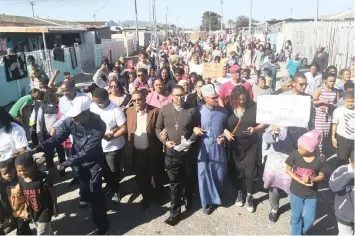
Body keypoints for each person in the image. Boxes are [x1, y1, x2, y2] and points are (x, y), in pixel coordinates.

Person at [41, 97, 108, 234]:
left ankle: (102, 225)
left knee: (95, 192)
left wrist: (64, 164)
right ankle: (89, 202)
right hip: (78, 163)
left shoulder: (99, 125)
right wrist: (41, 148)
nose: (73, 120)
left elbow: (86, 152)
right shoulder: (70, 120)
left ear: (86, 113)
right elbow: (58, 138)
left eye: (76, 116)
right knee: (84, 185)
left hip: (93, 162)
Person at [155, 85, 198, 226]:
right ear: (171, 96)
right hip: (171, 152)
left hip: (187, 151)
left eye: (181, 94)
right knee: (174, 183)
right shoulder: (165, 109)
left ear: (185, 94)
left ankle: (188, 198)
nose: (179, 97)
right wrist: (164, 141)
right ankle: (175, 214)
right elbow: (158, 128)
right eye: (176, 95)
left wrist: (191, 140)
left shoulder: (191, 109)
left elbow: (196, 128)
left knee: (189, 178)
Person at [224, 85, 265, 213]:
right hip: (235, 146)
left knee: (250, 172)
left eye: (244, 99)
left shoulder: (254, 107)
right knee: (237, 172)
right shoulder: (228, 108)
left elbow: (264, 123)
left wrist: (255, 129)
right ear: (234, 98)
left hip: (251, 145)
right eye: (239, 100)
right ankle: (240, 192)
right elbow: (222, 124)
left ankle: (250, 196)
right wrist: (226, 132)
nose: (242, 102)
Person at [193, 84, 227, 215]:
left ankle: (216, 197)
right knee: (204, 175)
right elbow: (192, 126)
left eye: (216, 97)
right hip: (203, 147)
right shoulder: (198, 111)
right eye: (213, 98)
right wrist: (194, 129)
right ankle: (206, 202)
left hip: (218, 147)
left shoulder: (223, 111)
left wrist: (223, 136)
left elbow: (226, 128)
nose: (216, 99)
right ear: (206, 98)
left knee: (219, 173)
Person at [126, 90, 162, 209]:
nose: (137, 102)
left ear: (145, 98)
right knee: (141, 177)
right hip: (137, 152)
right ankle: (147, 198)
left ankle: (158, 196)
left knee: (155, 175)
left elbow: (160, 128)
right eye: (134, 100)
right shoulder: (129, 111)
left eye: (139, 99)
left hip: (152, 150)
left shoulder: (155, 111)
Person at [285, 130, 325, 236]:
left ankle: (300, 231)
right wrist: (298, 180)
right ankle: (296, 233)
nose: (299, 150)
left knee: (310, 218)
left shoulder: (319, 160)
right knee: (296, 217)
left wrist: (312, 179)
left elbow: (322, 175)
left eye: (302, 148)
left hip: (311, 194)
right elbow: (287, 170)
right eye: (298, 147)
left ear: (311, 149)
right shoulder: (295, 154)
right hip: (296, 192)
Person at [91, 88, 127, 204]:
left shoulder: (115, 110)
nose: (96, 104)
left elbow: (124, 128)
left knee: (113, 170)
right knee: (103, 169)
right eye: (95, 101)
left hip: (113, 146)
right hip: (98, 146)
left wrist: (112, 136)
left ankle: (116, 190)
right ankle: (110, 184)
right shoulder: (93, 107)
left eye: (99, 102)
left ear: (106, 99)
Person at [15, 152, 58, 235]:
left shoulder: (42, 178)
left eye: (24, 170)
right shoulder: (21, 180)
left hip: (45, 210)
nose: (22, 173)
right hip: (33, 211)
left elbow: (51, 190)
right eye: (19, 171)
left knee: (41, 232)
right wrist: (24, 208)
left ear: (32, 166)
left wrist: (55, 205)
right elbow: (23, 194)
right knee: (43, 230)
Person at [262, 126, 293, 223]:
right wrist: (273, 133)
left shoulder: (298, 122)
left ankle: (296, 212)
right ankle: (274, 209)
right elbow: (266, 140)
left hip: (291, 160)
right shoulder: (274, 123)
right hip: (274, 160)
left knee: (293, 187)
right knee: (273, 185)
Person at [36, 88, 66, 176]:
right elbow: (39, 122)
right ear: (50, 96)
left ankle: (62, 170)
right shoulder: (43, 107)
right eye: (56, 95)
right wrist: (40, 136)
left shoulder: (61, 106)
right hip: (48, 135)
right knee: (49, 154)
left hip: (61, 135)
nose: (59, 96)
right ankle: (51, 170)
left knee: (61, 153)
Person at [0, 159, 32, 235]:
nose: (8, 175)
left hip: (24, 211)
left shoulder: (21, 181)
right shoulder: (3, 185)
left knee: (21, 231)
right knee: (23, 228)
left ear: (14, 169)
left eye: (9, 171)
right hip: (14, 212)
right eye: (4, 173)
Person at [313, 73, 339, 156]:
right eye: (330, 81)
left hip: (329, 116)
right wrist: (322, 101)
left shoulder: (336, 91)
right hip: (319, 116)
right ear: (325, 81)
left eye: (333, 81)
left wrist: (330, 107)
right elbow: (313, 101)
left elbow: (338, 104)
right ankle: (318, 153)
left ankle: (322, 153)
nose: (332, 83)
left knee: (325, 135)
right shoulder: (320, 89)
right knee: (319, 135)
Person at [329, 150, 354, 236]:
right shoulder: (341, 170)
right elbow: (333, 186)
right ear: (350, 161)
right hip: (344, 214)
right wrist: (349, 176)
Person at [332, 91, 355, 165]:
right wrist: (333, 137)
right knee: (342, 159)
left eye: (352, 101)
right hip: (343, 138)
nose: (350, 103)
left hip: (353, 138)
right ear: (344, 101)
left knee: (353, 160)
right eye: (348, 101)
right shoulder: (338, 111)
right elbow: (334, 125)